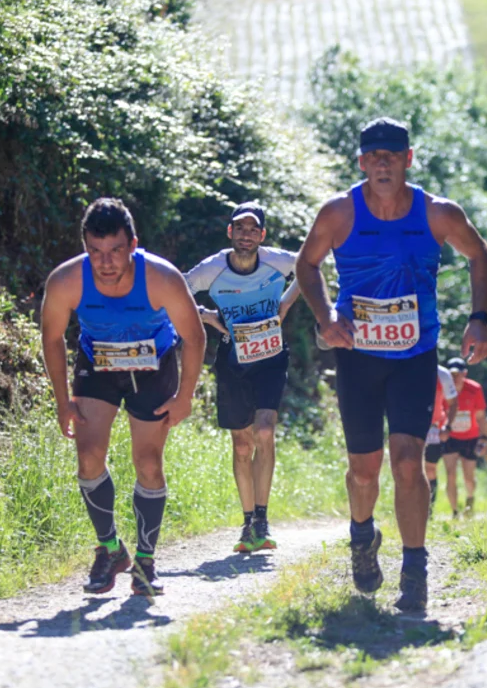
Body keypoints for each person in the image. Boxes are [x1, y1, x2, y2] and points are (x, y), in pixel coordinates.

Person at [296, 117, 487, 611]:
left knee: (409, 461)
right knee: (364, 471)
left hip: (414, 356)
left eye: (392, 156)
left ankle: (414, 570)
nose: (382, 164)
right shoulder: (340, 212)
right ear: (361, 162)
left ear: (408, 159)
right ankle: (362, 537)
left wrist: (478, 318)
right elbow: (306, 264)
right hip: (358, 356)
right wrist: (325, 316)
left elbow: (480, 255)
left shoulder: (438, 213)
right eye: (373, 157)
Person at [41, 198, 206, 597]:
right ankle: (110, 548)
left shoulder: (162, 278)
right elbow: (52, 338)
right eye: (95, 251)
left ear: (133, 244)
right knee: (88, 457)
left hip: (153, 366)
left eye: (115, 250)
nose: (105, 262)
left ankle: (145, 560)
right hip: (98, 364)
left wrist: (185, 396)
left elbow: (195, 336)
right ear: (84, 247)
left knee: (148, 462)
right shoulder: (66, 281)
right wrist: (62, 401)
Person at [185, 201, 301, 553]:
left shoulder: (277, 261)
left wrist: (285, 304)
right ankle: (248, 522)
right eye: (240, 228)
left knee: (264, 430)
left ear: (262, 235)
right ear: (230, 232)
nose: (246, 235)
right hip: (232, 360)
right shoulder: (212, 268)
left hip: (271, 356)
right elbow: (176, 289)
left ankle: (262, 520)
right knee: (241, 445)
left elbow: (310, 267)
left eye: (253, 229)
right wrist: (205, 314)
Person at [443, 357, 487, 518]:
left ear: (465, 373)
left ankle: (470, 498)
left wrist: (484, 438)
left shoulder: (474, 389)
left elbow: (481, 415)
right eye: (452, 374)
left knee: (468, 477)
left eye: (458, 374)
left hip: (471, 437)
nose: (455, 378)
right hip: (450, 437)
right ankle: (455, 511)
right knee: (450, 474)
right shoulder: (442, 388)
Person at [425, 364, 459, 517]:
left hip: (434, 427)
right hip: (412, 426)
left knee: (430, 469)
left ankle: (429, 509)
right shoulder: (404, 364)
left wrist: (447, 426)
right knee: (411, 467)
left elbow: (453, 403)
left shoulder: (442, 373)